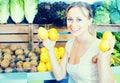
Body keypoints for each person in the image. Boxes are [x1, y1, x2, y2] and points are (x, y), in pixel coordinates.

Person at [41, 1, 116, 83]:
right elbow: (59, 76)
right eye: (70, 19)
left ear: (89, 21)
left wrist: (102, 59)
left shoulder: (100, 48)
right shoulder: (70, 44)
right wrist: (50, 49)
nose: (73, 25)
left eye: (79, 19)